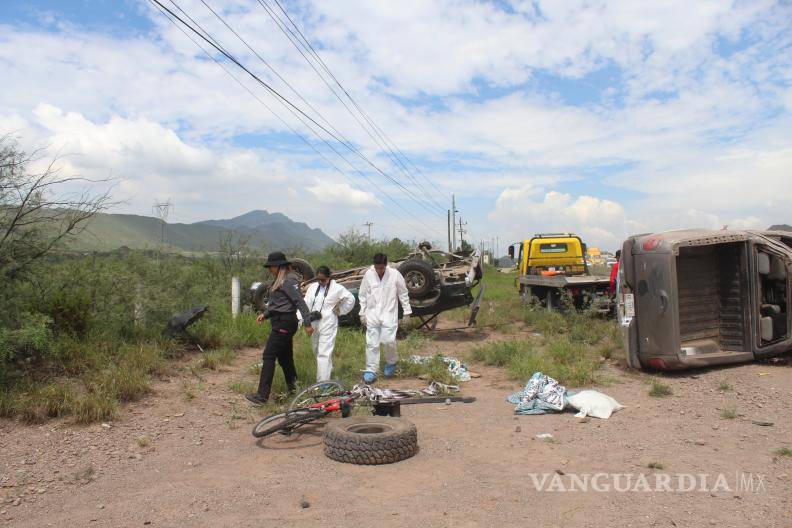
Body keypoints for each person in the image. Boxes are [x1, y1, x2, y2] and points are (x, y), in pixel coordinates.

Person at [246, 251, 313, 405]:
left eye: (271, 267)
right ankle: (294, 390)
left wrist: (308, 323)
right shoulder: (280, 280)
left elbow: (299, 302)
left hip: (285, 323)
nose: (269, 269)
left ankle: (262, 396)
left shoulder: (289, 281)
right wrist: (266, 314)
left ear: (278, 266)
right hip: (280, 321)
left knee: (268, 356)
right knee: (285, 358)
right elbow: (279, 303)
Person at [358, 253, 412, 383]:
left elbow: (403, 293)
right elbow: (362, 294)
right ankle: (371, 370)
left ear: (386, 265)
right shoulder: (368, 274)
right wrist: (362, 313)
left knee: (389, 341)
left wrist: (407, 312)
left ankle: (391, 362)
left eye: (381, 268)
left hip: (389, 313)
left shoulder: (394, 274)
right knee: (372, 343)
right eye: (377, 268)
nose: (379, 270)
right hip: (372, 313)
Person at [299, 266, 356, 382]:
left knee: (324, 352)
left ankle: (323, 382)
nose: (320, 282)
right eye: (318, 279)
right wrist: (301, 319)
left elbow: (351, 299)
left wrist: (340, 310)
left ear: (329, 278)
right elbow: (305, 304)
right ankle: (327, 371)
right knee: (316, 349)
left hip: (328, 322)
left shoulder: (337, 288)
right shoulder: (312, 288)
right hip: (314, 321)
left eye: (323, 280)